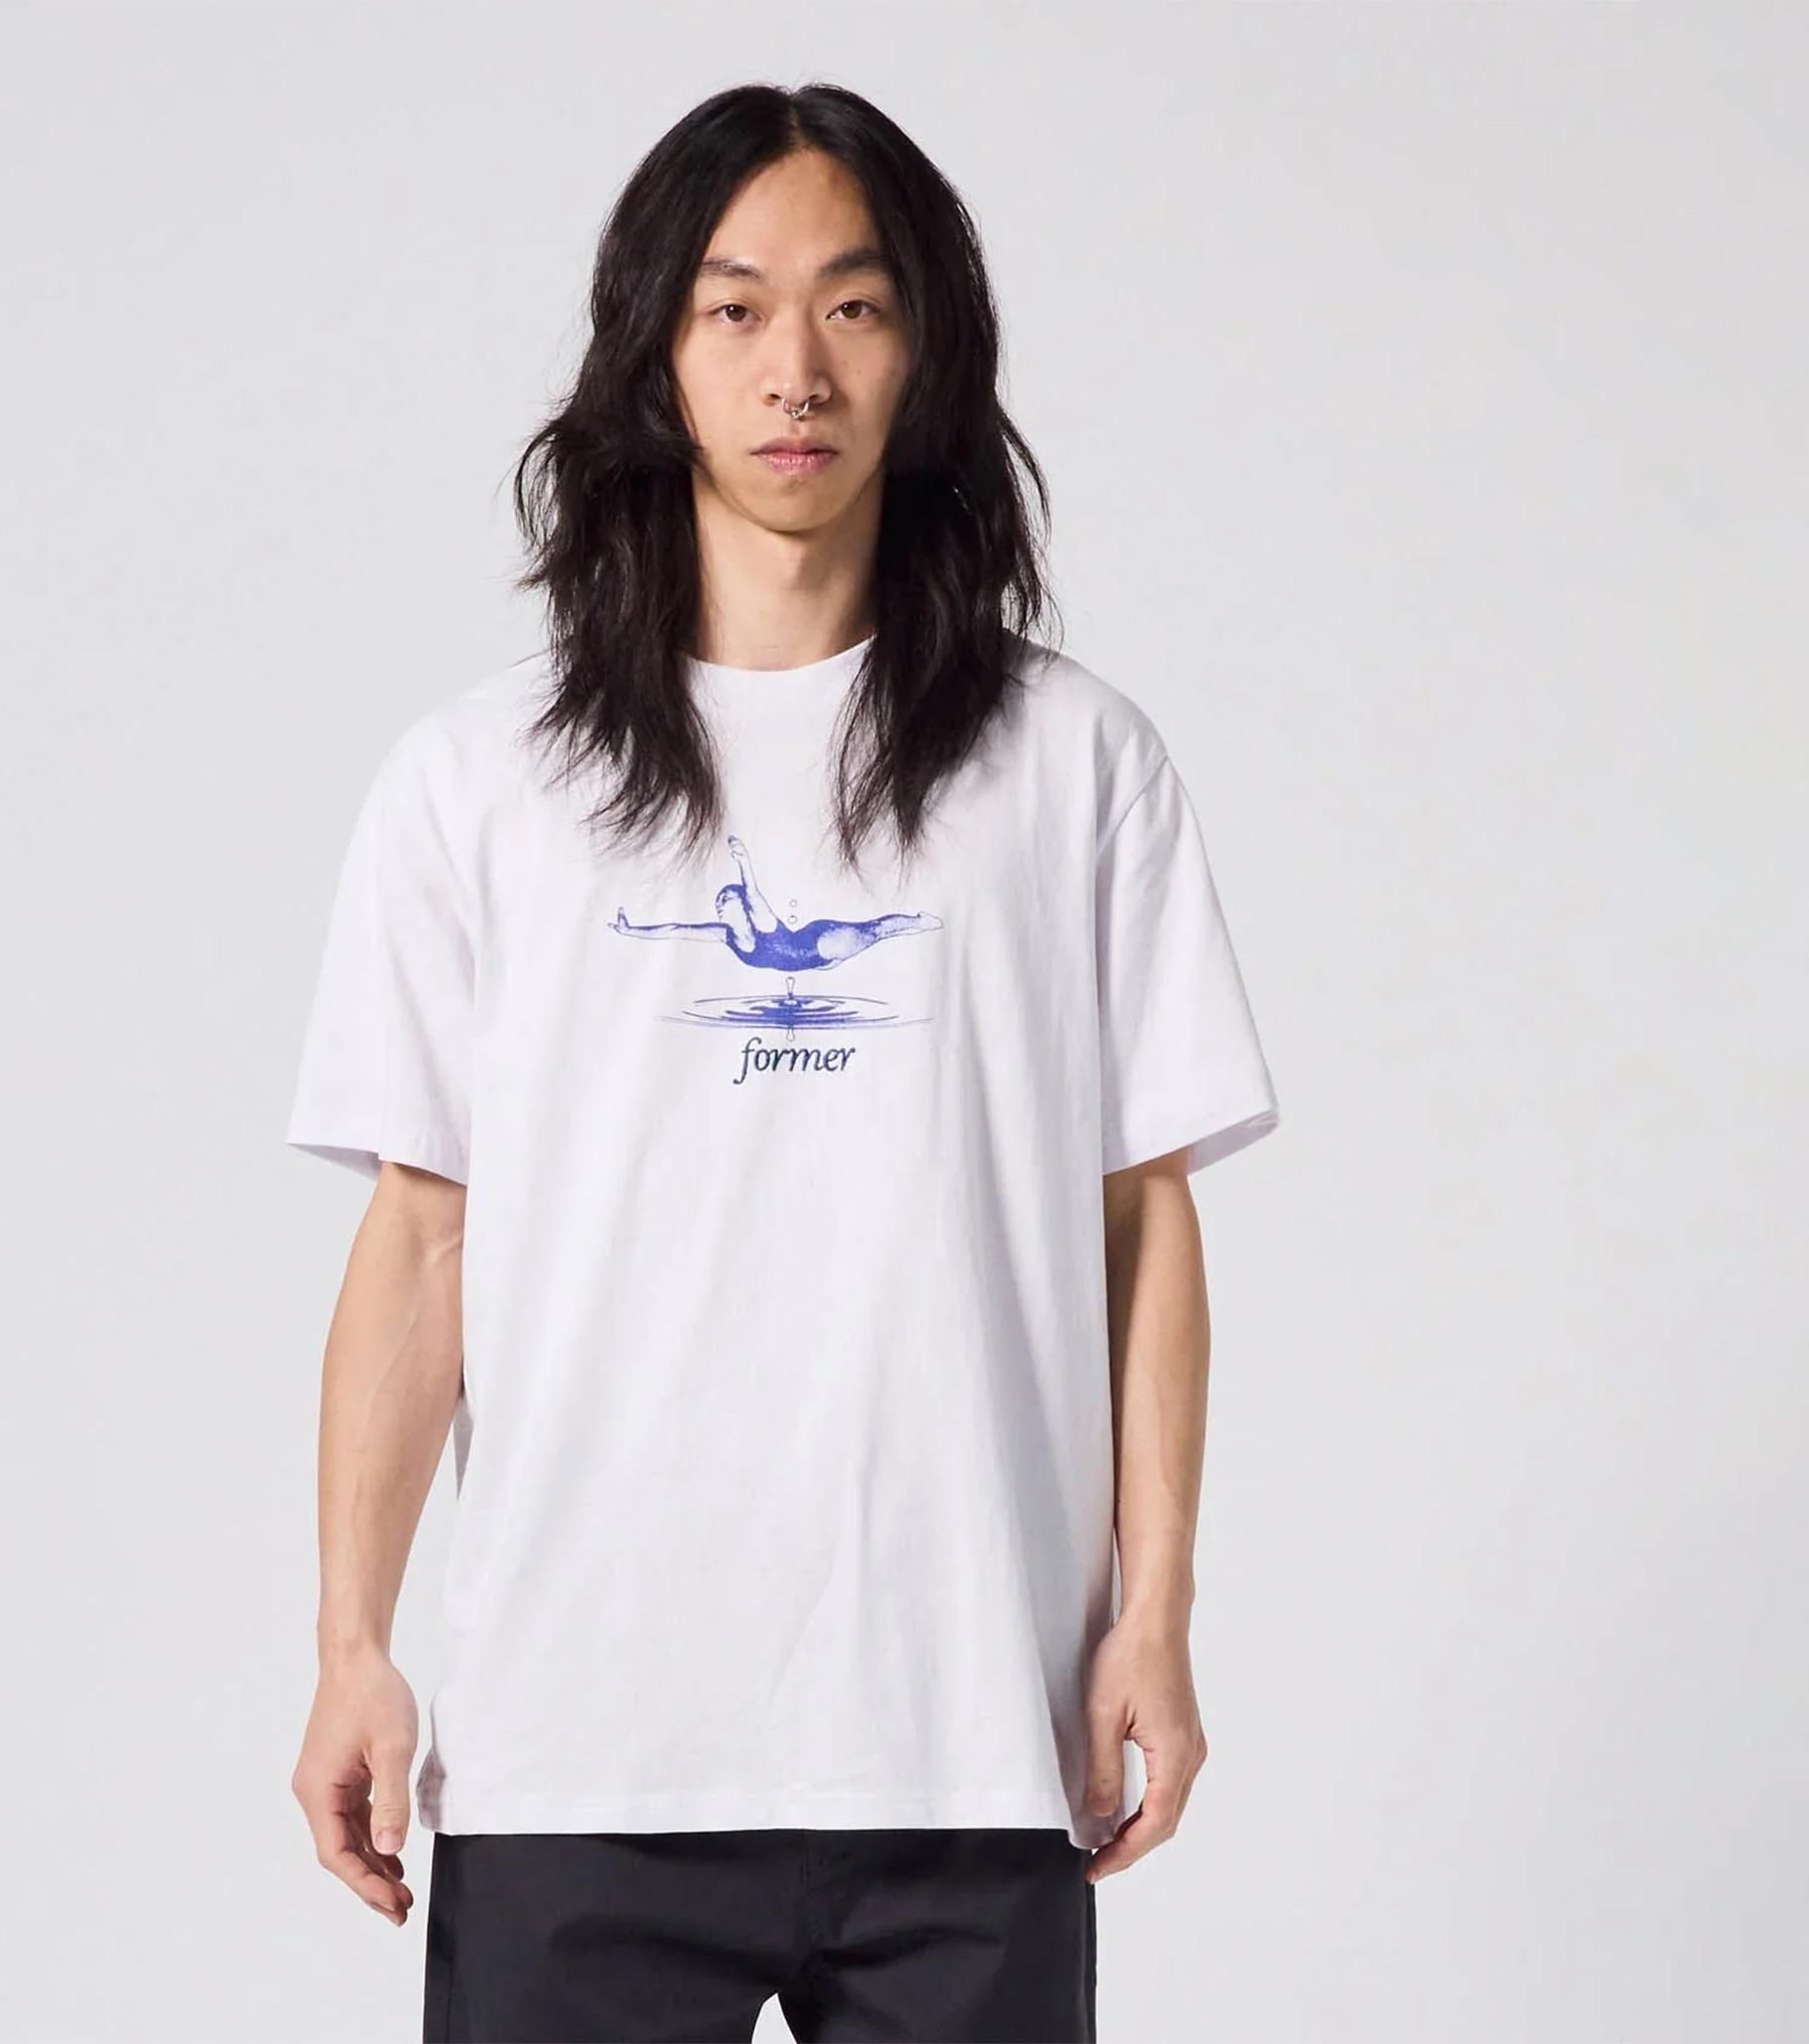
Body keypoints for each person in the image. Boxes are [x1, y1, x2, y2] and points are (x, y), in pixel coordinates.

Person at [284, 80, 1280, 2044]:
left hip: (970, 1748)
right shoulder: (482, 783)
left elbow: (1141, 1220)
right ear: (655, 357)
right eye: (732, 308)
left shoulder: (1073, 766)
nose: (794, 368)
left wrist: (1152, 1617)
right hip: (581, 1750)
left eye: (854, 304)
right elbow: (420, 1240)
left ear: (926, 351)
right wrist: (350, 1643)